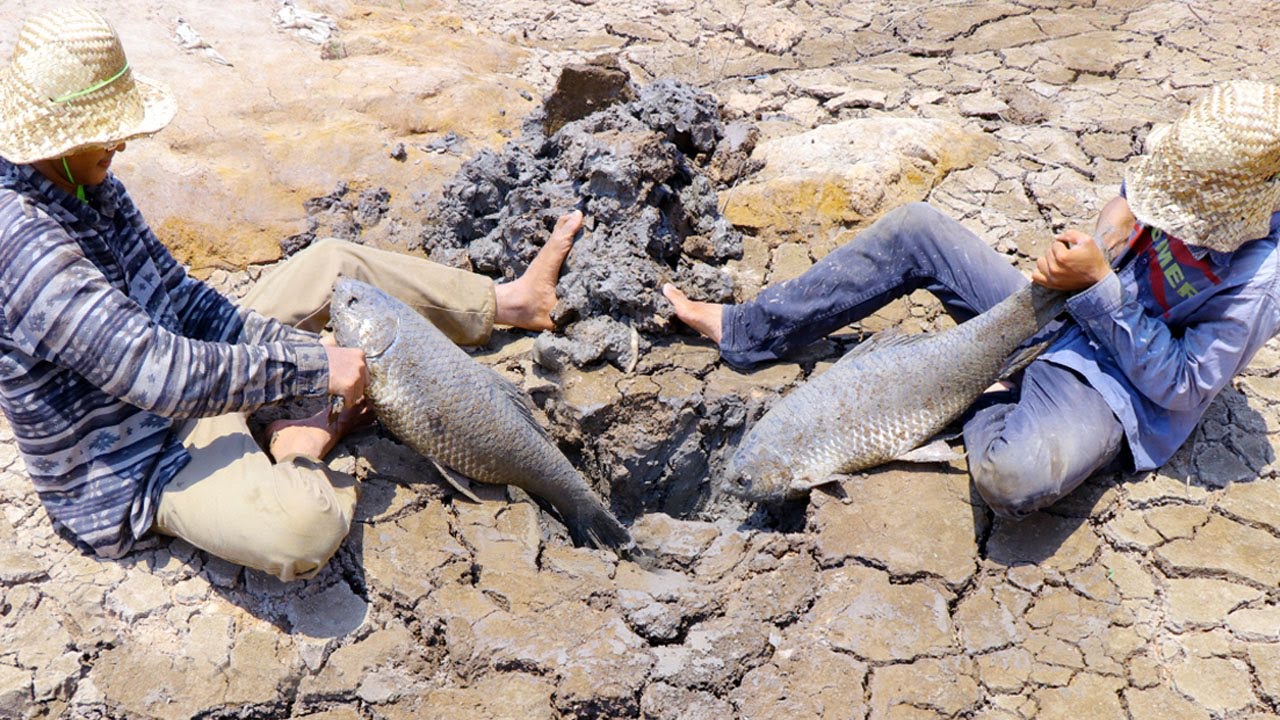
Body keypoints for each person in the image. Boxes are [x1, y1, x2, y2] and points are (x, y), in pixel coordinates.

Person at [0, 5, 582, 581]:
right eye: (105, 132)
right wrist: (309, 369)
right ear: (55, 137)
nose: (121, 145)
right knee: (302, 528)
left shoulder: (86, 184)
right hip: (138, 462)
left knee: (334, 264)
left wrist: (290, 353)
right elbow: (159, 375)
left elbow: (184, 300)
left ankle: (512, 303)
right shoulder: (26, 247)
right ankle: (299, 446)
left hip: (192, 372)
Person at [665, 79, 1280, 518]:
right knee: (914, 230)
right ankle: (749, 331)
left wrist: (1101, 287)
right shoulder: (1204, 164)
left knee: (1014, 479)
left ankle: (975, 395)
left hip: (1109, 382)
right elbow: (1130, 194)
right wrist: (1103, 234)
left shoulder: (1260, 277)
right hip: (1060, 307)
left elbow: (1185, 384)